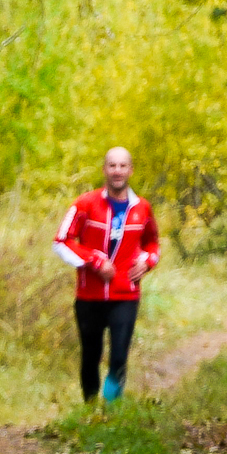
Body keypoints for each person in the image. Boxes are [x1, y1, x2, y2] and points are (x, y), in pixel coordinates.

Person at [54, 147, 159, 403]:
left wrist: (147, 262)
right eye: (112, 166)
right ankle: (90, 409)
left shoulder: (142, 208)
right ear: (104, 170)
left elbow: (152, 243)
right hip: (89, 295)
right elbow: (61, 241)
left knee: (119, 357)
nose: (117, 171)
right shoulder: (85, 204)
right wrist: (94, 260)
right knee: (91, 355)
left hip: (126, 295)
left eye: (122, 166)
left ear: (131, 170)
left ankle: (111, 410)